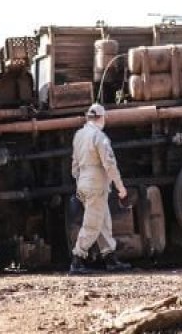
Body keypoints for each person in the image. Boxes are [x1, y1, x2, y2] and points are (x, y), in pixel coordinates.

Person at [69, 103, 131, 274]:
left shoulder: (79, 135)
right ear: (101, 118)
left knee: (103, 221)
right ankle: (77, 259)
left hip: (83, 182)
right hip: (97, 184)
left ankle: (110, 257)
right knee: (93, 224)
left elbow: (74, 165)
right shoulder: (100, 137)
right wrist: (121, 187)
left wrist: (80, 182)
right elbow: (109, 165)